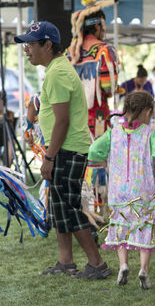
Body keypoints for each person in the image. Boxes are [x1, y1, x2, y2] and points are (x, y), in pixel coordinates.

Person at [15, 21, 111, 278]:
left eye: (31, 44)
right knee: (59, 207)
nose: (27, 50)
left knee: (68, 207)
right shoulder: (57, 70)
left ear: (47, 45)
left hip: (67, 150)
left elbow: (62, 121)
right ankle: (66, 261)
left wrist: (49, 157)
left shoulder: (58, 73)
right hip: (66, 149)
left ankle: (97, 264)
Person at [88, 91, 155, 289]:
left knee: (120, 226)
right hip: (144, 189)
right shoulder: (151, 134)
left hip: (118, 190)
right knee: (144, 226)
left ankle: (124, 265)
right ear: (148, 111)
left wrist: (106, 161)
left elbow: (94, 150)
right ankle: (143, 269)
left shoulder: (113, 132)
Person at [69, 0, 120, 139]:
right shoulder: (104, 50)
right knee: (96, 159)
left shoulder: (69, 52)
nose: (104, 32)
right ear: (97, 26)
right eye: (103, 28)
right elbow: (108, 87)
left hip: (71, 120)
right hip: (97, 117)